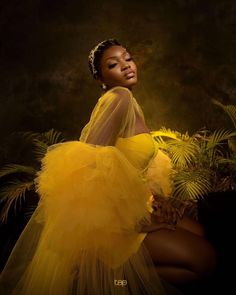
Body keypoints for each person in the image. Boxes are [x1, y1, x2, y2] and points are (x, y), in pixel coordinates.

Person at [0, 39, 216, 295]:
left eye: (128, 58)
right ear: (100, 78)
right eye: (114, 64)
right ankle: (103, 277)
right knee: (205, 261)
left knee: (200, 233)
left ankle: (112, 276)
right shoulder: (119, 98)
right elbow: (88, 165)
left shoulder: (127, 100)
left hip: (133, 206)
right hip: (114, 223)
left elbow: (126, 164)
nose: (125, 66)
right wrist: (137, 224)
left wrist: (153, 200)